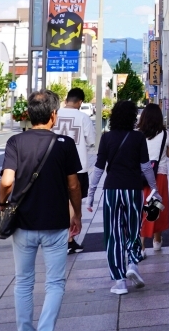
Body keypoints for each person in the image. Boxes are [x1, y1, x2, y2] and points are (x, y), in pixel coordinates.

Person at [0, 90, 83, 331]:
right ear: (53, 115)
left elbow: (6, 182)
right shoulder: (64, 144)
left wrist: (2, 204)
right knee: (55, 282)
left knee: (24, 281)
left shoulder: (15, 142)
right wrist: (76, 214)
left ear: (29, 113)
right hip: (55, 223)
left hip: (23, 223)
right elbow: (74, 185)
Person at [87, 100, 158, 294]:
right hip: (133, 190)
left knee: (113, 235)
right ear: (133, 116)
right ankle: (133, 265)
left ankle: (119, 283)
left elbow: (99, 168)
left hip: (111, 191)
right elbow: (146, 167)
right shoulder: (138, 138)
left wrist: (91, 194)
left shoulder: (107, 137)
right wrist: (154, 188)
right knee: (134, 230)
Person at [54, 87, 97, 254]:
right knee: (74, 200)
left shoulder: (55, 114)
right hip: (77, 166)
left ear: (66, 100)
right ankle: (69, 239)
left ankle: (60, 238)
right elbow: (92, 141)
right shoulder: (83, 117)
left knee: (60, 200)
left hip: (56, 164)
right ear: (80, 102)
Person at [137, 103, 169, 254]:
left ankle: (142, 245)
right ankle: (157, 240)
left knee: (142, 208)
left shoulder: (138, 134)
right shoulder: (165, 134)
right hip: (159, 175)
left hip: (141, 176)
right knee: (156, 206)